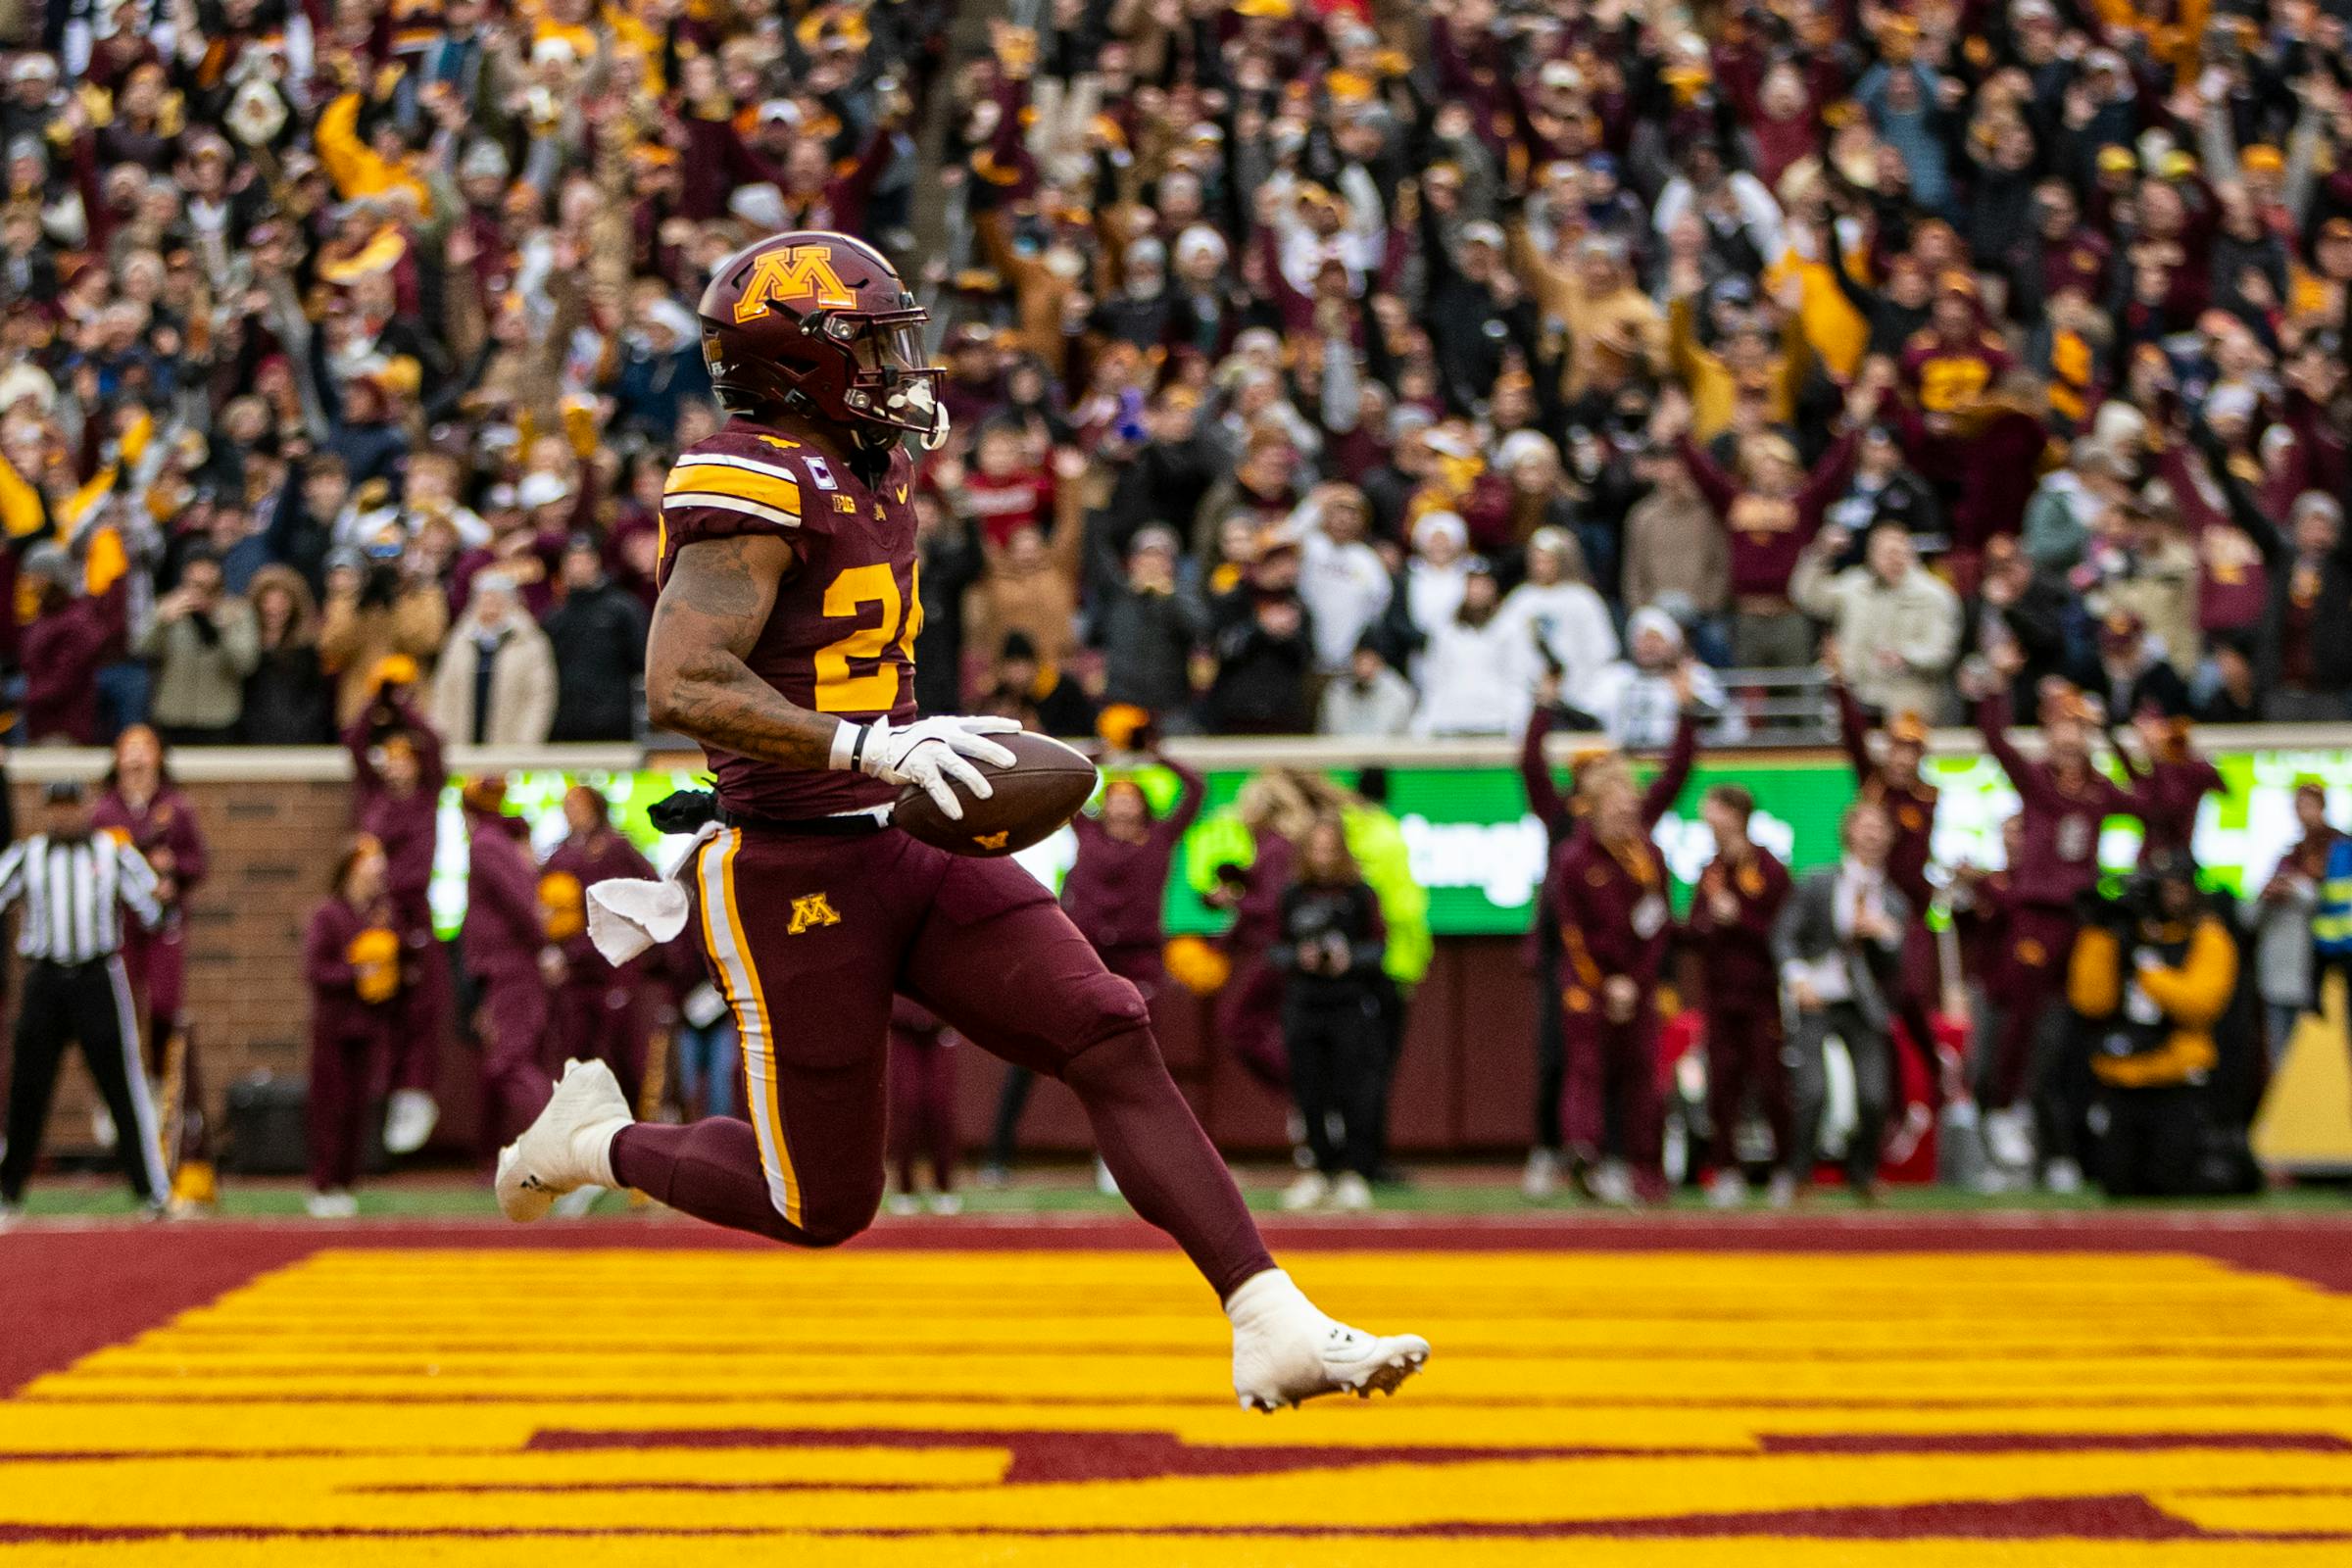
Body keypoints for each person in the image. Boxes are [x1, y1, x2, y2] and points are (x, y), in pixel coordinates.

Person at [498, 231, 1425, 1411]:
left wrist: (912, 739)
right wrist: (867, 743)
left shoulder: (870, 464)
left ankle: (1268, 1314)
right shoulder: (748, 476)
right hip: (790, 866)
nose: (901, 367)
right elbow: (682, 681)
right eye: (872, 346)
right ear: (798, 365)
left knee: (1106, 1028)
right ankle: (594, 1141)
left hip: (902, 832)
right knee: (820, 1203)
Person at [1964, 653, 2145, 1189]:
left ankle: (2064, 1136)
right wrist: (1997, 686)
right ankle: (2005, 1108)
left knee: (2069, 1028)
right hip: (2036, 916)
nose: (2071, 738)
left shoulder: (2098, 787)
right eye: (2063, 725)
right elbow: (1996, 742)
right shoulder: (2038, 782)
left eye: (2079, 727)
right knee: (2021, 1014)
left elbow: (2149, 805)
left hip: (2080, 921)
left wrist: (2122, 748)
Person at [988, 749, 1205, 1181]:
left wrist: (1154, 753)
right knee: (1031, 1050)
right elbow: (1062, 785)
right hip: (1082, 955)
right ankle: (999, 1154)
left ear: (1144, 805)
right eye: (1116, 795)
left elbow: (1196, 789)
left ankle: (1132, 1160)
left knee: (1135, 1062)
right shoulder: (1088, 832)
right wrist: (1097, 755)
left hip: (1138, 963)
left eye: (1131, 796)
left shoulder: (1160, 838)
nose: (1123, 803)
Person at [1547, 695, 1698, 1204]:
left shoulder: (1648, 856)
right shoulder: (1573, 858)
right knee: (1586, 1068)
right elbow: (1570, 932)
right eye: (1616, 807)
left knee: (1642, 1076)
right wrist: (1603, 981)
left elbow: (1657, 927)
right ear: (1594, 810)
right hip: (1587, 982)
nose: (1626, 813)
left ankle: (1644, 1167)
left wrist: (1637, 980)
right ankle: (1584, 1154)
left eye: (1631, 805)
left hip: (1637, 983)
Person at [0, 781, 168, 1220]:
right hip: (44, 978)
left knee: (121, 1084)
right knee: (27, 1087)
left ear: (86, 808)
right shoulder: (27, 854)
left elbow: (154, 911)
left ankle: (150, 1188)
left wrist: (163, 892)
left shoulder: (113, 852)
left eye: (71, 806)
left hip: (98, 976)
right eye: (56, 807)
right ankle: (9, 1189)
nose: (64, 816)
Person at [2068, 853, 2236, 1198]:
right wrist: (2099, 935)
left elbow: (2199, 1006)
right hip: (2122, 1078)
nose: (2170, 898)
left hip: (2176, 1080)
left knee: (2172, 1182)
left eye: (2178, 888)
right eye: (2165, 889)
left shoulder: (2207, 937)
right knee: (2117, 1184)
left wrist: (2148, 968)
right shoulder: (2123, 938)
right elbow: (2091, 1002)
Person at [92, 725, 210, 1195]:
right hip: (119, 924)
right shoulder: (104, 810)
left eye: (146, 749)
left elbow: (197, 862)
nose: (137, 759)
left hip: (162, 924)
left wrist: (172, 874)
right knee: (117, 1010)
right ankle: (116, 1094)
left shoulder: (176, 808)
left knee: (163, 1005)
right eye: (129, 750)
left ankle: (160, 1086)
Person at [345, 675, 450, 1155]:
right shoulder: (373, 798)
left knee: (420, 1010)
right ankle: (377, 1101)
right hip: (375, 918)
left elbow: (432, 744)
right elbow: (353, 742)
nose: (398, 768)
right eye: (392, 759)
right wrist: (377, 701)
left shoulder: (426, 795)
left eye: (406, 759)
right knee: (376, 1007)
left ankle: (415, 1093)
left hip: (413, 914)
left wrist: (404, 706)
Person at [1272, 817, 1389, 1212]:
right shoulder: (1292, 894)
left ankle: (1354, 1171)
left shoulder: (1359, 894)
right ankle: (1318, 1169)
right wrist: (1300, 958)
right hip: (1304, 1005)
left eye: (1329, 848)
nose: (1323, 857)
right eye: (1316, 849)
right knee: (1309, 1093)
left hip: (1348, 1004)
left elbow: (1378, 948)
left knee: (1353, 1090)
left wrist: (1348, 959)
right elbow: (1274, 949)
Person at [1688, 783, 1793, 1206]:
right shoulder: (1710, 870)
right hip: (1719, 994)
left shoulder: (1768, 868)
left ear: (1734, 814)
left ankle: (1785, 1169)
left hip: (1761, 995)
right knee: (1722, 1086)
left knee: (1771, 1081)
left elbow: (1783, 933)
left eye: (1713, 809)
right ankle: (1726, 1170)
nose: (1706, 817)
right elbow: (1696, 924)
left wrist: (1740, 918)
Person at [303, 836, 403, 1219]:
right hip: (334, 1026)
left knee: (359, 1107)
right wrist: (354, 974)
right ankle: (323, 1183)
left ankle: (346, 1181)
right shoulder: (329, 915)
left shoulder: (381, 915)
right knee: (331, 1106)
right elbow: (315, 969)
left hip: (369, 1025)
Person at [460, 776, 556, 1163]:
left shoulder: (485, 843)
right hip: (505, 972)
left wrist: (544, 947)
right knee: (510, 1064)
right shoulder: (499, 841)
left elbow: (520, 902)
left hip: (510, 970)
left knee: (510, 1063)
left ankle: (567, 1152)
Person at [542, 786, 658, 1107]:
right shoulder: (559, 855)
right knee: (575, 1053)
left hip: (615, 968)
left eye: (577, 804)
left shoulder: (617, 849)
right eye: (566, 805)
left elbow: (650, 891)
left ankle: (631, 1125)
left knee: (621, 1052)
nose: (571, 811)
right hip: (573, 970)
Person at [2243, 780, 2333, 1089]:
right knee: (2282, 1056)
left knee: (2324, 1054)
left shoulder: (2338, 848)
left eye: (2309, 805)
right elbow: (2249, 917)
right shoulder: (2287, 857)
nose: (2303, 813)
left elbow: (2329, 904)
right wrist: (2269, 892)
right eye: (2298, 806)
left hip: (2323, 970)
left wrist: (2297, 888)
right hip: (2277, 974)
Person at [137, 550, 260, 745]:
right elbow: (142, 649)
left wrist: (222, 625)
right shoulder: (168, 606)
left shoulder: (238, 611)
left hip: (219, 719)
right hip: (172, 716)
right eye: (195, 585)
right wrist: (161, 622)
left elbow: (246, 664)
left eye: (208, 587)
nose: (201, 593)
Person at [542, 537, 653, 742]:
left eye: (583, 560)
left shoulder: (623, 610)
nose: (577, 567)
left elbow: (642, 662)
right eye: (571, 561)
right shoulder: (555, 617)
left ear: (597, 562)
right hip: (564, 723)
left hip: (614, 722)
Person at [431, 570, 558, 746]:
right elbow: (443, 691)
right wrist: (442, 737)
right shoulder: (460, 639)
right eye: (484, 597)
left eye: (496, 597)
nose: (489, 603)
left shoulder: (529, 641)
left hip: (511, 745)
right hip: (462, 744)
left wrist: (526, 741)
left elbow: (540, 695)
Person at [887, 998, 960, 1215]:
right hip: (902, 1030)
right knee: (907, 1104)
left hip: (938, 1028)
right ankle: (904, 1186)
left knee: (939, 1107)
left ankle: (943, 1183)